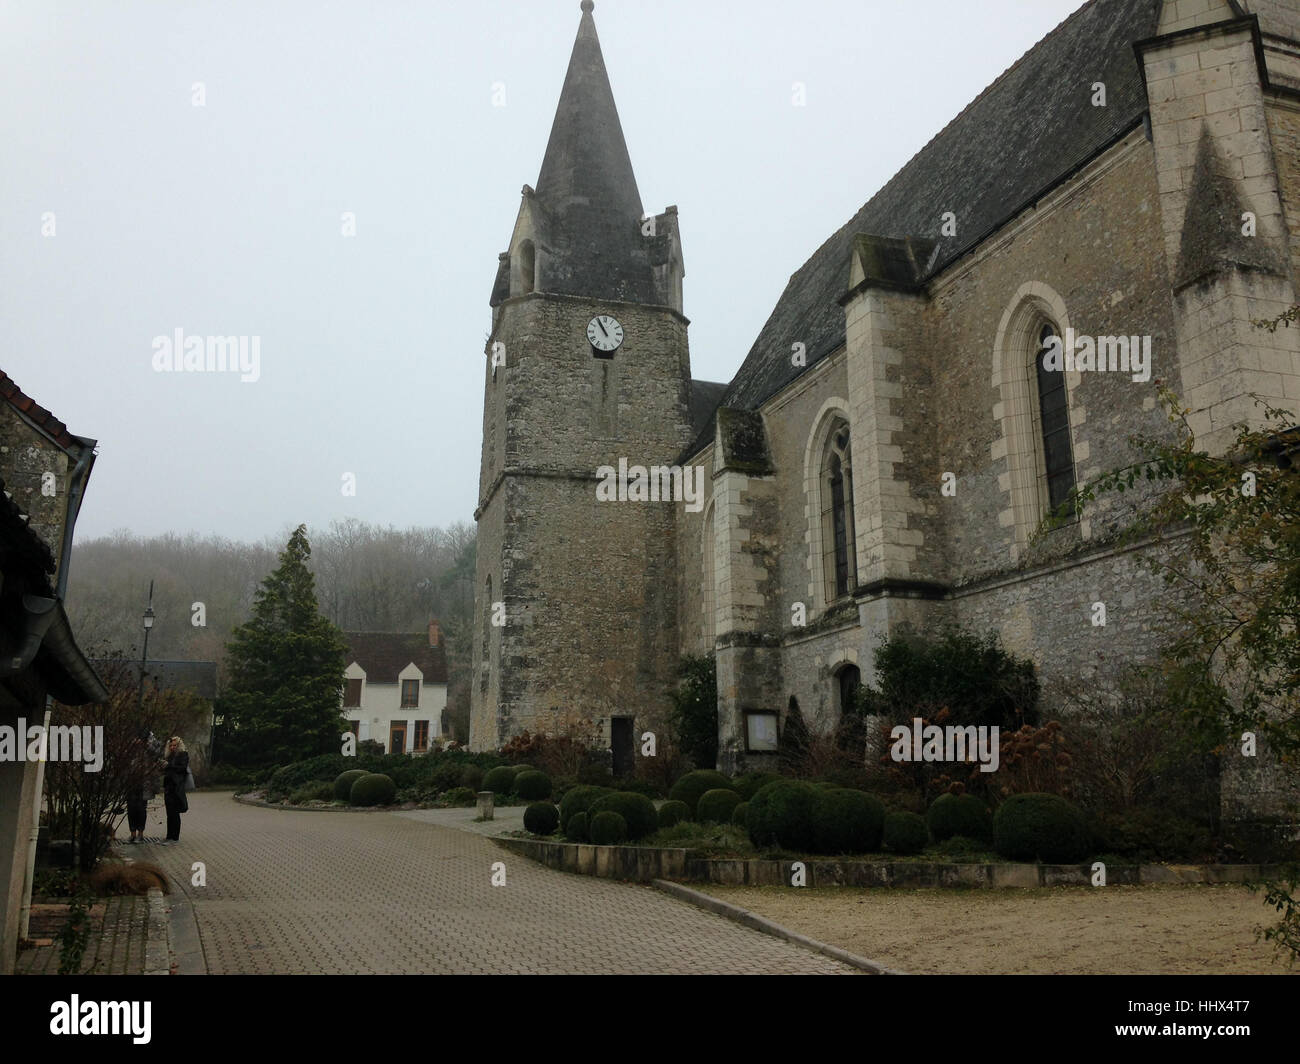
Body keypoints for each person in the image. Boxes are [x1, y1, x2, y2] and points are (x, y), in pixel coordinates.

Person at [126, 732, 163, 843]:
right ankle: (132, 833)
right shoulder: (129, 745)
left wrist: (146, 744)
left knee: (141, 809)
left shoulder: (151, 742)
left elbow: (157, 754)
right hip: (131, 781)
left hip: (144, 782)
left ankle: (140, 834)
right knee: (131, 808)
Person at [161, 736, 190, 844]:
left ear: (179, 745)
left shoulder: (183, 754)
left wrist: (169, 766)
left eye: (174, 745)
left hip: (176, 786)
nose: (172, 747)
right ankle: (169, 836)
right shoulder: (169, 756)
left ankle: (175, 837)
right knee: (169, 813)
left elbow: (182, 768)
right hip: (168, 786)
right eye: (171, 745)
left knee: (175, 812)